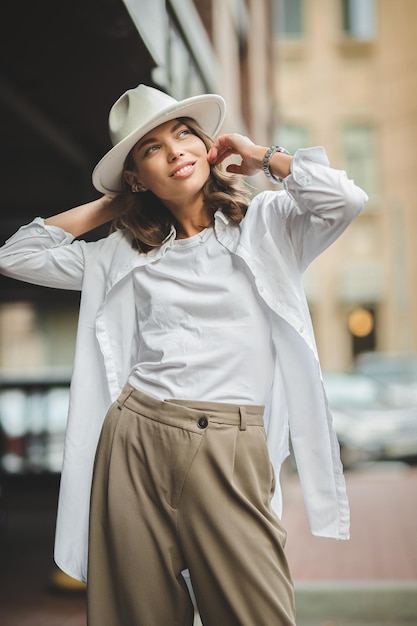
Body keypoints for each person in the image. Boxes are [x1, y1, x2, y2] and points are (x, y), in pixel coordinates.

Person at [0, 84, 368, 626]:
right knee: (137, 614)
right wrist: (115, 203)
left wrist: (259, 154)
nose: (175, 152)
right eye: (151, 149)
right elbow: (16, 254)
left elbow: (344, 198)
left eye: (184, 134)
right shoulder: (122, 252)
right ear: (135, 175)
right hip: (135, 438)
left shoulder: (267, 225)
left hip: (231, 442)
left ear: (205, 144)